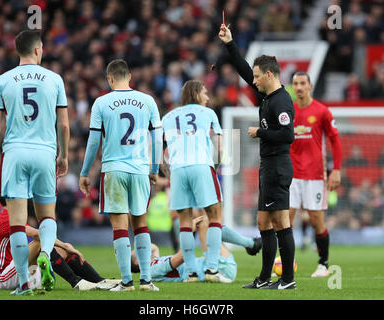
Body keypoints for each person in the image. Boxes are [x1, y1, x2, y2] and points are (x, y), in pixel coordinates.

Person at [0, 30, 70, 295]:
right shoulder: (54, 79)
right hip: (44, 151)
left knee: (16, 222)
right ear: (38, 50)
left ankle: (23, 283)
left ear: (17, 51)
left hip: (14, 153)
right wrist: (64, 155)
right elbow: (65, 124)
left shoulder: (3, 80)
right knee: (47, 216)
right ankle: (45, 252)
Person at [219, 24, 296, 290]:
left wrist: (260, 132)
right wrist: (230, 44)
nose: (253, 80)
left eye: (257, 76)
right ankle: (264, 278)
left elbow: (288, 135)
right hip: (268, 165)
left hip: (278, 166)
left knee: (280, 221)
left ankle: (287, 280)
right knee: (263, 222)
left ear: (270, 75)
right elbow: (242, 70)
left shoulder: (282, 101)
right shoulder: (265, 96)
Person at [79, 59, 163, 292]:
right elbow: (157, 137)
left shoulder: (101, 102)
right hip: (139, 169)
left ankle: (126, 282)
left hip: (114, 169)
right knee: (141, 224)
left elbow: (94, 140)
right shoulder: (147, 101)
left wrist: (85, 173)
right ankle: (146, 280)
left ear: (110, 78)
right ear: (130, 76)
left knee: (119, 226)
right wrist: (154, 168)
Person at [161, 80, 226, 283]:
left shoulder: (169, 116)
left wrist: (170, 175)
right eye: (205, 93)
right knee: (215, 216)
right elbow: (220, 147)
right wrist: (213, 168)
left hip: (178, 169)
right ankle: (212, 270)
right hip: (201, 165)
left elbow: (160, 156)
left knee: (185, 222)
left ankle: (190, 272)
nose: (208, 97)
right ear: (197, 93)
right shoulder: (208, 114)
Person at [0, 198, 121, 292]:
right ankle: (76, 282)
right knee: (43, 243)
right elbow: (37, 234)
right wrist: (65, 245)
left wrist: (64, 247)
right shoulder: (8, 217)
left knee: (59, 250)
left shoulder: (1, 217)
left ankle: (99, 280)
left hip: (9, 270)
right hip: (2, 277)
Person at [290, 72, 342, 277]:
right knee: (285, 218)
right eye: (295, 84)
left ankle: (323, 264)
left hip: (315, 175)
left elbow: (335, 141)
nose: (299, 87)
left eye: (303, 83)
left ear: (310, 86)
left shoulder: (322, 111)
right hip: (292, 174)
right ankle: (286, 261)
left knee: (315, 219)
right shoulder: (289, 112)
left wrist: (335, 169)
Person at [130, 215, 262, 283]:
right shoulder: (152, 270)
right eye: (137, 250)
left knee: (210, 223)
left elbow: (153, 248)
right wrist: (189, 232)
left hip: (217, 268)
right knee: (206, 223)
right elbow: (182, 257)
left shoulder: (154, 263)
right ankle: (251, 244)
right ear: (137, 262)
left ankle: (250, 244)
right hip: (217, 270)